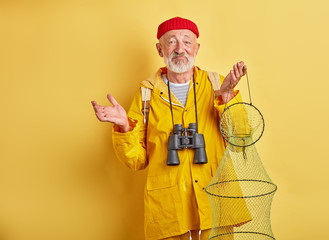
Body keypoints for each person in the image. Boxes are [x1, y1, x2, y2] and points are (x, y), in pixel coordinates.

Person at [91, 17, 249, 240]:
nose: (180, 49)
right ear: (159, 49)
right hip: (168, 207)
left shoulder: (218, 84)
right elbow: (137, 160)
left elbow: (241, 137)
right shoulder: (146, 94)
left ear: (197, 48)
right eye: (171, 42)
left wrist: (225, 96)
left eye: (186, 41)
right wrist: (125, 127)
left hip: (214, 199)